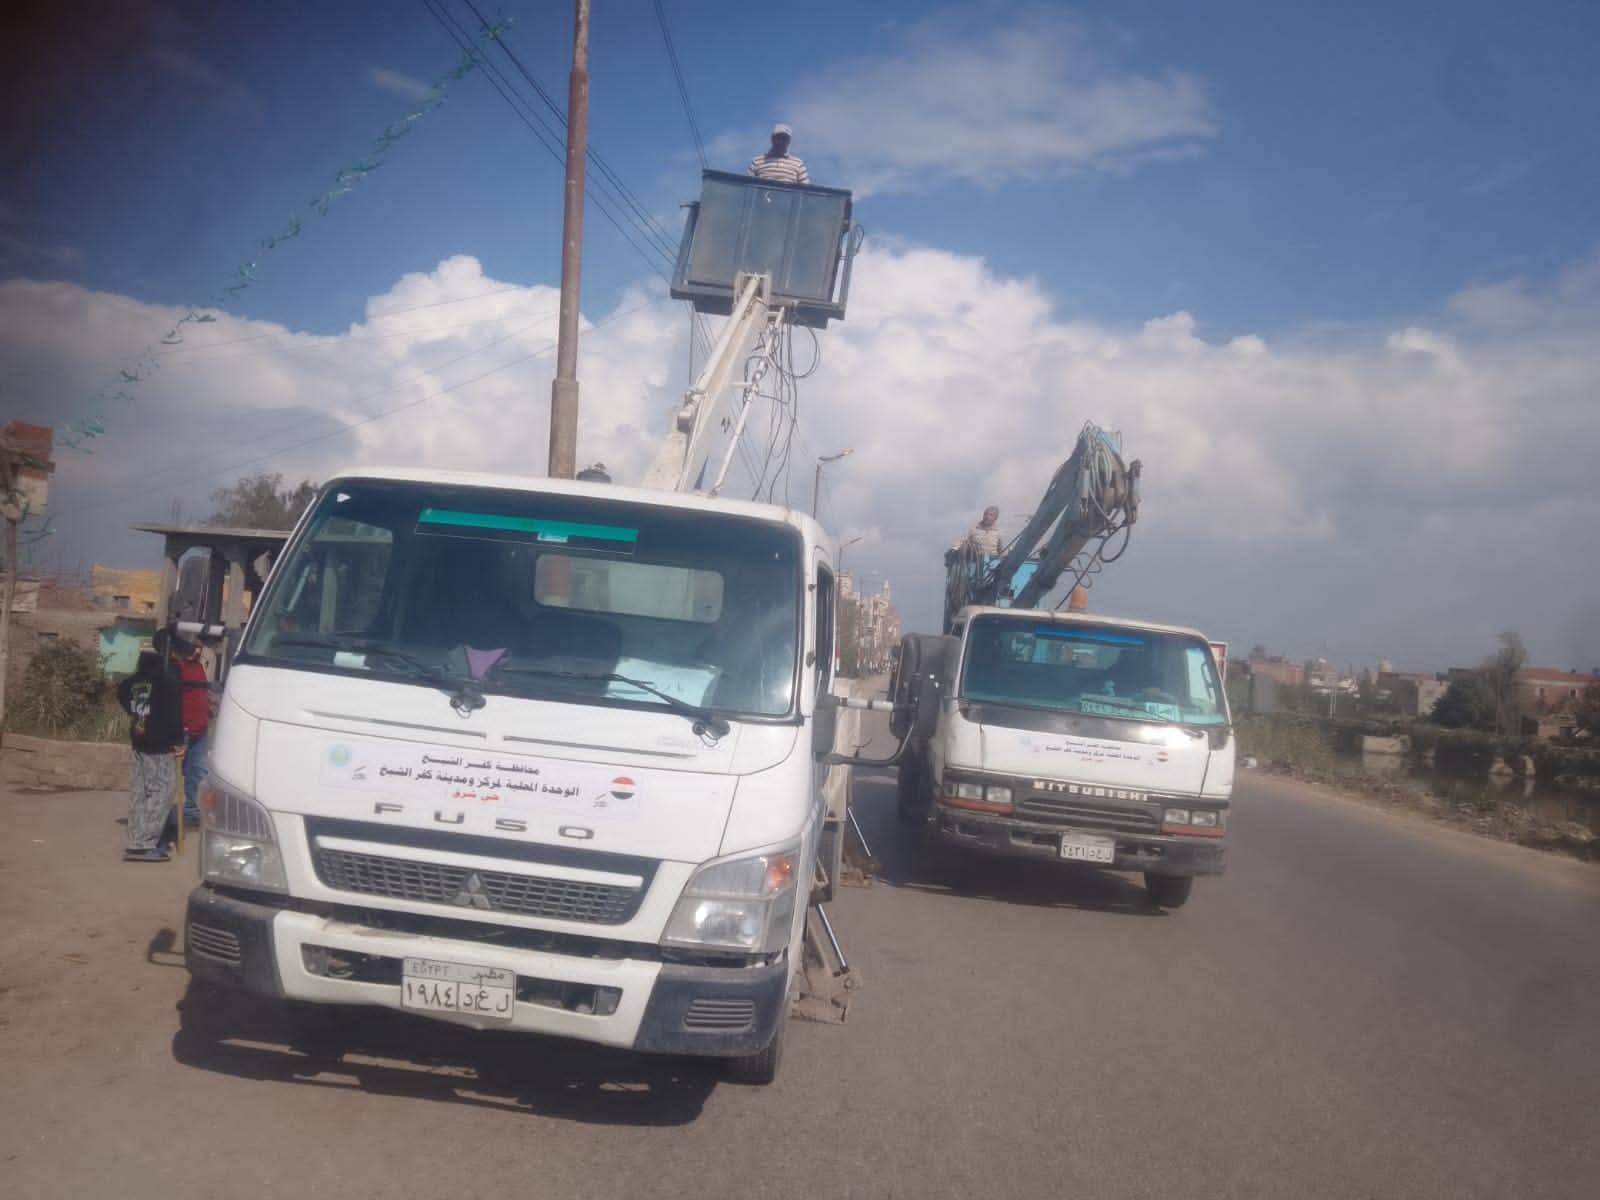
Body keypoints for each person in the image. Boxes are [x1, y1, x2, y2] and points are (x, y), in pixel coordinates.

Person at [116, 643, 185, 862]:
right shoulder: (166, 682)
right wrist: (179, 741)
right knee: (162, 792)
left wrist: (134, 710)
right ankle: (145, 844)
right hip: (160, 745)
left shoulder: (134, 681)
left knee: (140, 791)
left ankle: (136, 839)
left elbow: (121, 690)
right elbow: (174, 715)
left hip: (139, 741)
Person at [175, 639, 211, 824]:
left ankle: (192, 813)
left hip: (200, 729)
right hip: (184, 729)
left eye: (199, 647)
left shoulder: (200, 668)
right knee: (174, 773)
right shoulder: (177, 668)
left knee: (197, 773)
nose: (197, 651)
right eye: (194, 647)